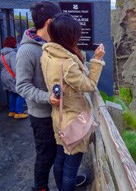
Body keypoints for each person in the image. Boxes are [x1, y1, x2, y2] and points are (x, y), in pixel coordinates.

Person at [40, 13, 105, 191]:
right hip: (73, 121)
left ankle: (61, 188)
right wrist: (97, 60)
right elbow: (89, 85)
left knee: (60, 159)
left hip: (59, 117)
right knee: (71, 169)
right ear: (69, 36)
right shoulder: (67, 64)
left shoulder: (47, 53)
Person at [0, 36, 28, 118]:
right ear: (12, 43)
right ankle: (19, 112)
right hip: (12, 76)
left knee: (12, 93)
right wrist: (20, 76)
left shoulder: (2, 54)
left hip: (4, 76)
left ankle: (12, 111)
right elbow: (15, 67)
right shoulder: (12, 54)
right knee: (20, 92)